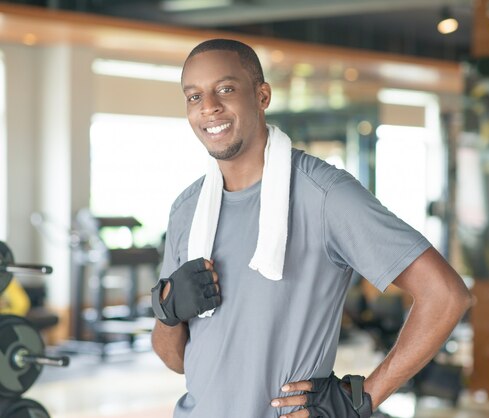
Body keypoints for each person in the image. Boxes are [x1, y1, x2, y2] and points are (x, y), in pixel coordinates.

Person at [150, 38, 471, 418]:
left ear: (262, 95)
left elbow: (446, 295)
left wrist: (361, 398)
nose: (209, 107)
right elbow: (176, 360)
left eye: (226, 89)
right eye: (194, 96)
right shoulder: (187, 210)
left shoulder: (324, 195)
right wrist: (169, 310)